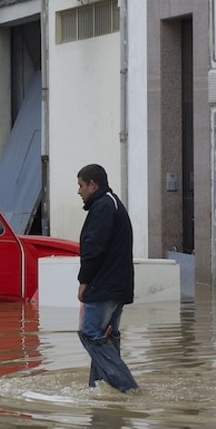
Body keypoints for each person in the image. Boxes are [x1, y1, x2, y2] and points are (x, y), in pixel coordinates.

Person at [76, 163, 139, 392]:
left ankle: (127, 388)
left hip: (104, 286)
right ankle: (98, 388)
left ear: (93, 184)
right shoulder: (111, 203)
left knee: (91, 335)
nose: (79, 191)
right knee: (106, 339)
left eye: (81, 185)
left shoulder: (103, 206)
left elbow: (94, 248)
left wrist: (83, 281)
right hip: (116, 286)